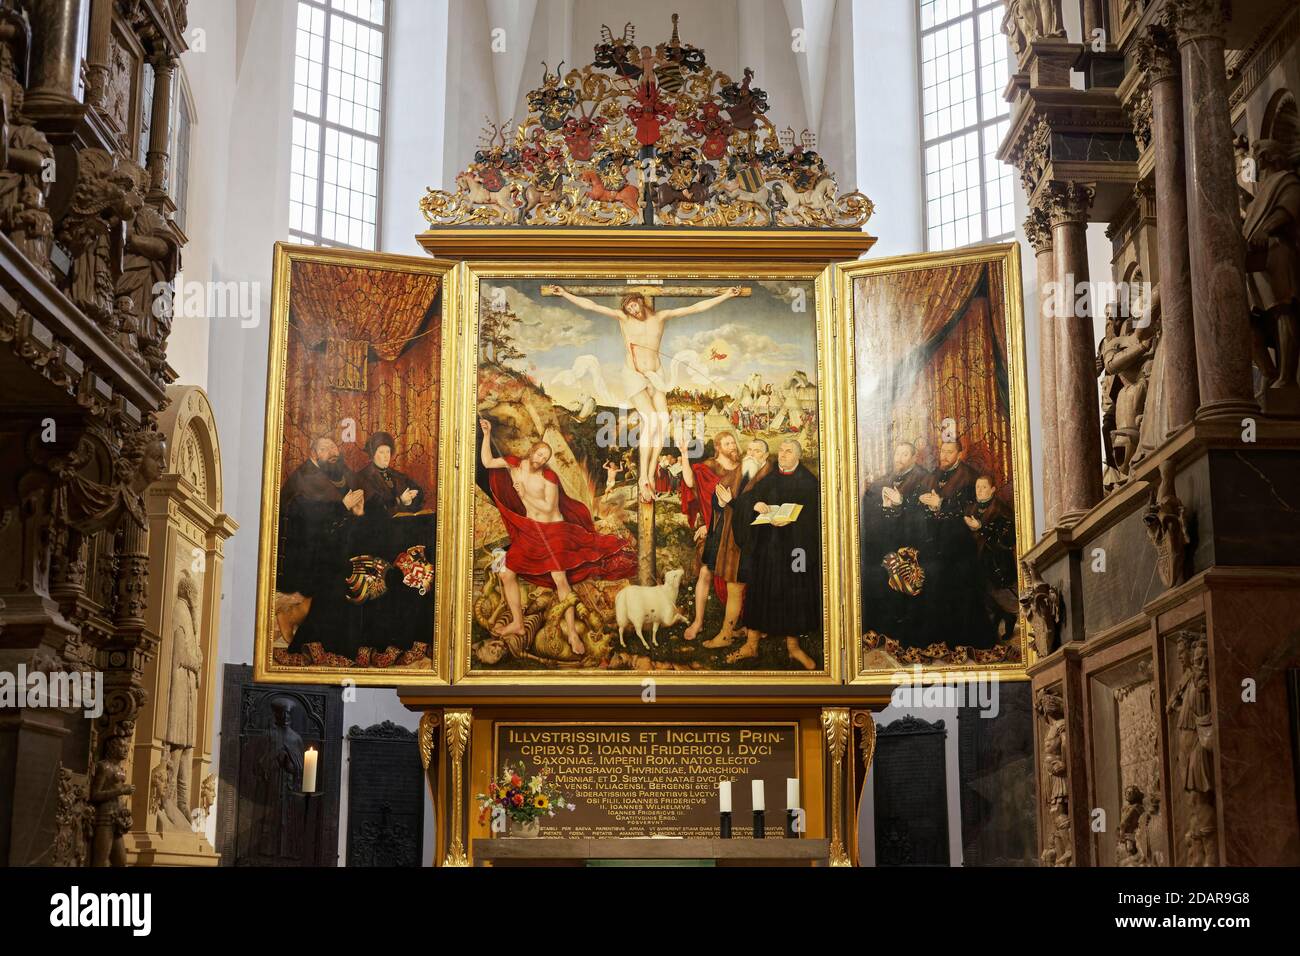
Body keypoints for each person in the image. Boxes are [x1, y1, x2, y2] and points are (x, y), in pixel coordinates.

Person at [549, 284, 743, 502]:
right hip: (634, 375)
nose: (633, 310)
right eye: (629, 308)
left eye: (634, 304)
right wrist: (565, 293)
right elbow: (592, 305)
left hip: (655, 373)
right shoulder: (624, 320)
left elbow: (695, 307)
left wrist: (726, 294)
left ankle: (650, 473)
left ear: (641, 301)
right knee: (651, 420)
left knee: (661, 422)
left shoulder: (660, 317)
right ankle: (643, 477)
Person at [480, 419, 636, 654]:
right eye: (539, 454)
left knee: (560, 580)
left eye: (545, 457)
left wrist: (523, 496)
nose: (541, 459)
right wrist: (486, 434)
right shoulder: (514, 464)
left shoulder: (549, 478)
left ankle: (573, 633)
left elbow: (546, 508)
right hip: (531, 531)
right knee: (504, 572)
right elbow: (487, 462)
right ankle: (518, 624)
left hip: (554, 531)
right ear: (532, 451)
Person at [728, 439, 821, 669]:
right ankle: (751, 644)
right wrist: (755, 504)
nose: (782, 454)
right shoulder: (769, 477)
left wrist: (790, 523)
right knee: (759, 592)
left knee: (794, 594)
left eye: (788, 451)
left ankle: (793, 648)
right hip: (768, 548)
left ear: (797, 456)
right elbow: (750, 497)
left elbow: (815, 520)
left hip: (795, 550)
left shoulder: (809, 482)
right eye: (781, 450)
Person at [277, 436, 364, 655]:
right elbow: (308, 516)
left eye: (335, 448)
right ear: (314, 454)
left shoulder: (326, 475)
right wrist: (343, 506)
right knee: (341, 574)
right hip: (301, 555)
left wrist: (355, 512)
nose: (333, 452)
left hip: (319, 545)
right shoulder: (305, 476)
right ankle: (295, 619)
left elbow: (330, 519)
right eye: (325, 448)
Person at [859, 441, 932, 646]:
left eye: (904, 455)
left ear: (913, 457)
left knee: (899, 571)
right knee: (871, 569)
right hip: (885, 540)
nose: (898, 458)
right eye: (897, 454)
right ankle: (881, 626)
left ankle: (901, 631)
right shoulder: (886, 479)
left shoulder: (924, 478)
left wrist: (901, 505)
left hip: (912, 543)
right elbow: (869, 507)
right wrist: (884, 506)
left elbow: (924, 515)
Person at [677, 427, 743, 643]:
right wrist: (684, 454)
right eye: (727, 444)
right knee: (706, 572)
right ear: (718, 448)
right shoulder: (710, 467)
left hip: (739, 528)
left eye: (733, 443)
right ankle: (698, 621)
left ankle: (740, 623)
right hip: (716, 526)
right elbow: (689, 483)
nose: (732, 447)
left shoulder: (745, 468)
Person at [920, 437, 982, 646]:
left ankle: (959, 638)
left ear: (959, 454)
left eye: (949, 452)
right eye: (942, 451)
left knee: (958, 587)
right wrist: (927, 505)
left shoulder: (970, 477)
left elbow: (972, 509)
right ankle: (938, 635)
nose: (944, 456)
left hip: (961, 542)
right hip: (935, 541)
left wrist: (942, 504)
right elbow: (922, 500)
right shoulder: (933, 475)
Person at [965, 474, 1018, 643]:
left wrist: (981, 528)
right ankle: (997, 623)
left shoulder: (1002, 509)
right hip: (976, 561)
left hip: (996, 562)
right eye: (977, 487)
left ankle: (1004, 621)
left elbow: (1008, 540)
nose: (979, 491)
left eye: (984, 487)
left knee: (996, 595)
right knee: (981, 596)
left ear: (993, 489)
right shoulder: (971, 508)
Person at [355, 431, 424, 516]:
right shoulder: (363, 477)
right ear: (373, 454)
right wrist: (400, 501)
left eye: (388, 451)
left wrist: (411, 498)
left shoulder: (396, 474)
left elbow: (419, 491)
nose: (386, 456)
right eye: (381, 452)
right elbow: (375, 508)